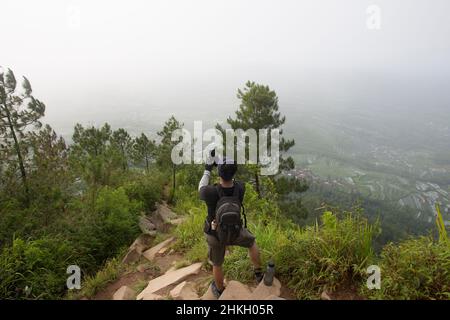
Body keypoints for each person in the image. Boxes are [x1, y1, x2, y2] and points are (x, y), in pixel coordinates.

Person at [198, 154, 263, 298]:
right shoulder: (241, 187)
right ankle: (258, 273)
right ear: (234, 173)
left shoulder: (209, 192)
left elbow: (201, 186)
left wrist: (208, 169)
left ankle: (220, 289)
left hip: (215, 234)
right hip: (235, 232)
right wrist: (224, 164)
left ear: (219, 172)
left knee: (217, 262)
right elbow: (229, 173)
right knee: (251, 242)